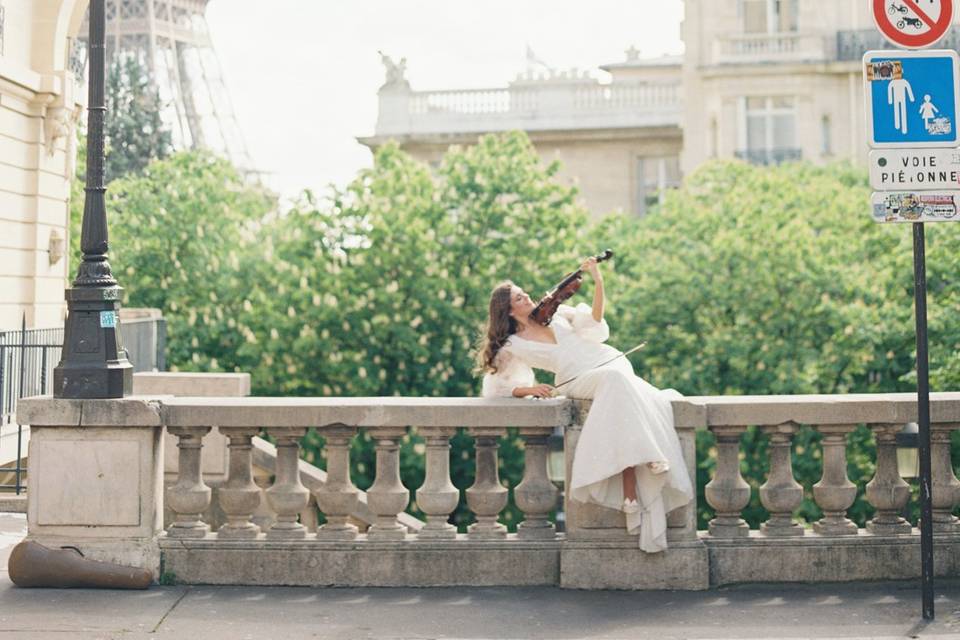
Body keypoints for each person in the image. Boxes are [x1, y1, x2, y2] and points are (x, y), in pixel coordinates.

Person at [474, 256, 693, 553]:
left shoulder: (559, 312)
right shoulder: (512, 344)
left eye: (524, 292)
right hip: (578, 379)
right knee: (617, 384)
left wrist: (597, 279)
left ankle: (631, 494)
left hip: (609, 362)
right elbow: (496, 387)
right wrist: (530, 388)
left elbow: (596, 322)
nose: (527, 296)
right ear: (508, 309)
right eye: (519, 296)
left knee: (619, 395)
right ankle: (649, 455)